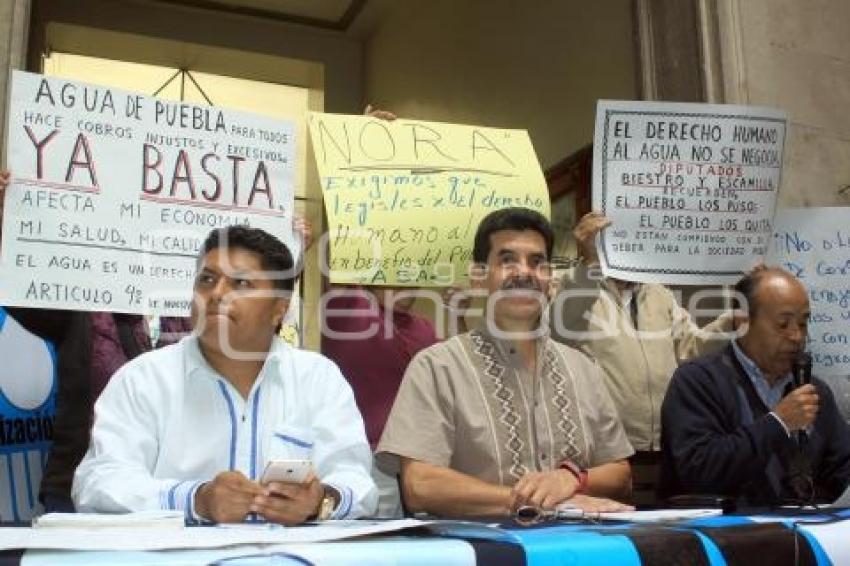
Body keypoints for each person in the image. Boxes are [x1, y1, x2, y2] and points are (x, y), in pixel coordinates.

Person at [73, 226, 377, 523]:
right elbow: (98, 483)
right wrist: (196, 499)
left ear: (279, 310)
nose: (217, 293)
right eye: (207, 279)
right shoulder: (143, 379)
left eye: (241, 284)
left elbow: (358, 482)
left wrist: (320, 500)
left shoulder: (317, 378)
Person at [377, 207, 634, 517]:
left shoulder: (583, 368)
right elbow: (420, 486)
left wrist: (570, 478)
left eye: (537, 262)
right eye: (507, 260)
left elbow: (621, 474)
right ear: (480, 276)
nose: (524, 272)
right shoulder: (436, 367)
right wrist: (535, 502)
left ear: (549, 277)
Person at [659, 267, 850, 505]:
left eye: (802, 324)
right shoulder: (697, 381)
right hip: (721, 533)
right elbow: (700, 473)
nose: (796, 336)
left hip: (800, 530)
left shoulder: (812, 390)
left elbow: (841, 469)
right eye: (783, 324)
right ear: (742, 321)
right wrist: (778, 424)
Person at [551, 211, 733, 453]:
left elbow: (692, 348)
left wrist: (733, 320)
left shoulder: (659, 293)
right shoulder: (575, 288)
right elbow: (557, 328)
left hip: (667, 445)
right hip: (603, 449)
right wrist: (590, 263)